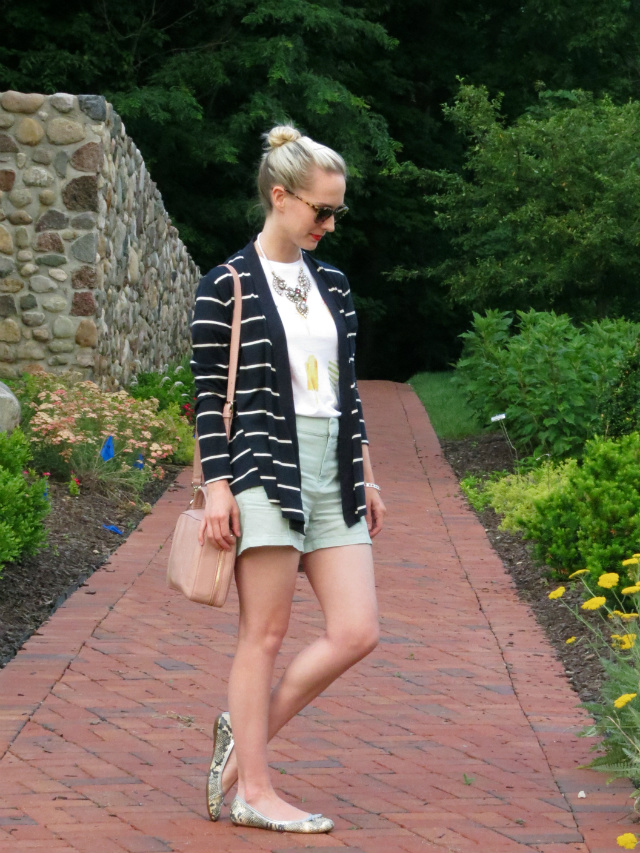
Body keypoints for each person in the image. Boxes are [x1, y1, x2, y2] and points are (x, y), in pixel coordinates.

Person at [191, 124, 385, 834]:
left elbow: (348, 388)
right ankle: (254, 791)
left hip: (333, 466)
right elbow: (209, 398)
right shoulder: (228, 285)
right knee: (264, 634)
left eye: (336, 212)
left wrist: (365, 471)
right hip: (264, 466)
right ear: (280, 196)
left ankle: (241, 741)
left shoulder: (332, 283)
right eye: (320, 211)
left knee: (357, 629)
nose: (329, 225)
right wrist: (217, 486)